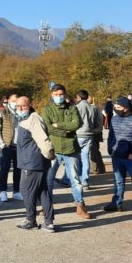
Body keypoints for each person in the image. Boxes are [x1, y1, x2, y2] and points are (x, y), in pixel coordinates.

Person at [41, 83, 90, 219]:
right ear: (51, 95)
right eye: (56, 95)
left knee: (75, 180)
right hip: (53, 150)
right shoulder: (47, 110)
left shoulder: (72, 108)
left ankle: (80, 206)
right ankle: (47, 207)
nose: (59, 97)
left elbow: (77, 124)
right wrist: (67, 131)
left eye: (61, 94)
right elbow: (48, 128)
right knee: (48, 180)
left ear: (65, 94)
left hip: (71, 149)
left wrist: (59, 126)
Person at [103, 97, 132, 219]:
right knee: (118, 182)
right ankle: (116, 204)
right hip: (117, 156)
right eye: (115, 107)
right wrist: (110, 149)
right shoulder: (114, 119)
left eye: (118, 107)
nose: (115, 109)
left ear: (126, 108)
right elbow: (111, 136)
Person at [14, 96, 56, 232]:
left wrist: (49, 155)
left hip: (32, 164)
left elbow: (43, 140)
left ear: (29, 105)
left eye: (23, 106)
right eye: (18, 106)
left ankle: (30, 219)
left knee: (26, 191)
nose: (20, 109)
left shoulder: (33, 119)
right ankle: (48, 222)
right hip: (33, 162)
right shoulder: (25, 119)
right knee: (42, 191)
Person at [0, 93, 23, 202]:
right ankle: (3, 191)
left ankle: (16, 191)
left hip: (19, 146)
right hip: (6, 146)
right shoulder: (1, 112)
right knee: (4, 169)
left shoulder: (22, 112)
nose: (16, 103)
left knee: (18, 170)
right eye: (13, 101)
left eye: (17, 101)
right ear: (8, 100)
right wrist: (2, 145)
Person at [74, 90, 99, 189]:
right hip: (89, 134)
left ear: (78, 97)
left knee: (77, 158)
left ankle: (78, 178)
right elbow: (98, 122)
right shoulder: (93, 108)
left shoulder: (77, 107)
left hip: (79, 134)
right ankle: (85, 180)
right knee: (86, 158)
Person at [88, 96, 107, 174]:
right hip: (96, 133)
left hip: (94, 133)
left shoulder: (92, 109)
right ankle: (99, 168)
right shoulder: (95, 108)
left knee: (93, 152)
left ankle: (96, 169)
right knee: (95, 152)